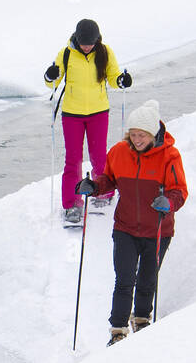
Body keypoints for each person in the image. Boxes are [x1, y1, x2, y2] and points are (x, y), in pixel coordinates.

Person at [80, 99, 188, 346]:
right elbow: (109, 179)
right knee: (124, 279)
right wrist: (94, 187)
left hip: (158, 229)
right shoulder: (119, 152)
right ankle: (117, 330)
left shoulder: (170, 156)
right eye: (134, 135)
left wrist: (168, 203)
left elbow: (179, 191)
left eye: (143, 135)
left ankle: (141, 320)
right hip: (125, 227)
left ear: (153, 134)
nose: (137, 140)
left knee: (147, 278)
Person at [44, 17, 132, 226]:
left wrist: (121, 80)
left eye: (90, 44)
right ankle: (72, 204)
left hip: (98, 112)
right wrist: (50, 76)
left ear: (96, 40)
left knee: (99, 157)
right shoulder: (66, 53)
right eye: (84, 43)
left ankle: (102, 193)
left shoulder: (105, 52)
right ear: (76, 38)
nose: (87, 47)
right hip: (72, 114)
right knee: (73, 160)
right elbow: (53, 83)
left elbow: (113, 77)